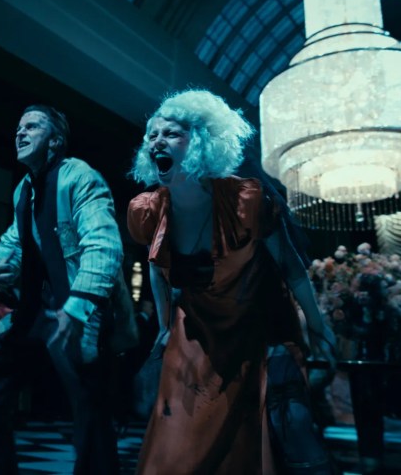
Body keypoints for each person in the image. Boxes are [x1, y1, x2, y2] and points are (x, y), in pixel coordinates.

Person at [127, 89, 335, 474]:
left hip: (252, 329)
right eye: (152, 134)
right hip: (192, 332)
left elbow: (291, 267)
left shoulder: (245, 201)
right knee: (176, 444)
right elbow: (157, 269)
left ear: (201, 142)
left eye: (171, 133)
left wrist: (317, 326)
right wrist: (164, 326)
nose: (157, 140)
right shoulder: (147, 210)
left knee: (241, 444)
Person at [0, 104, 137, 474]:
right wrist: (0, 267)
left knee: (90, 409)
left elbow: (104, 245)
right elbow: (16, 237)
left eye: (32, 127)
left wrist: (78, 306)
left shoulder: (79, 177)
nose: (19, 133)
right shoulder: (23, 190)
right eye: (18, 127)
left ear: (54, 142)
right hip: (35, 312)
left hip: (79, 311)